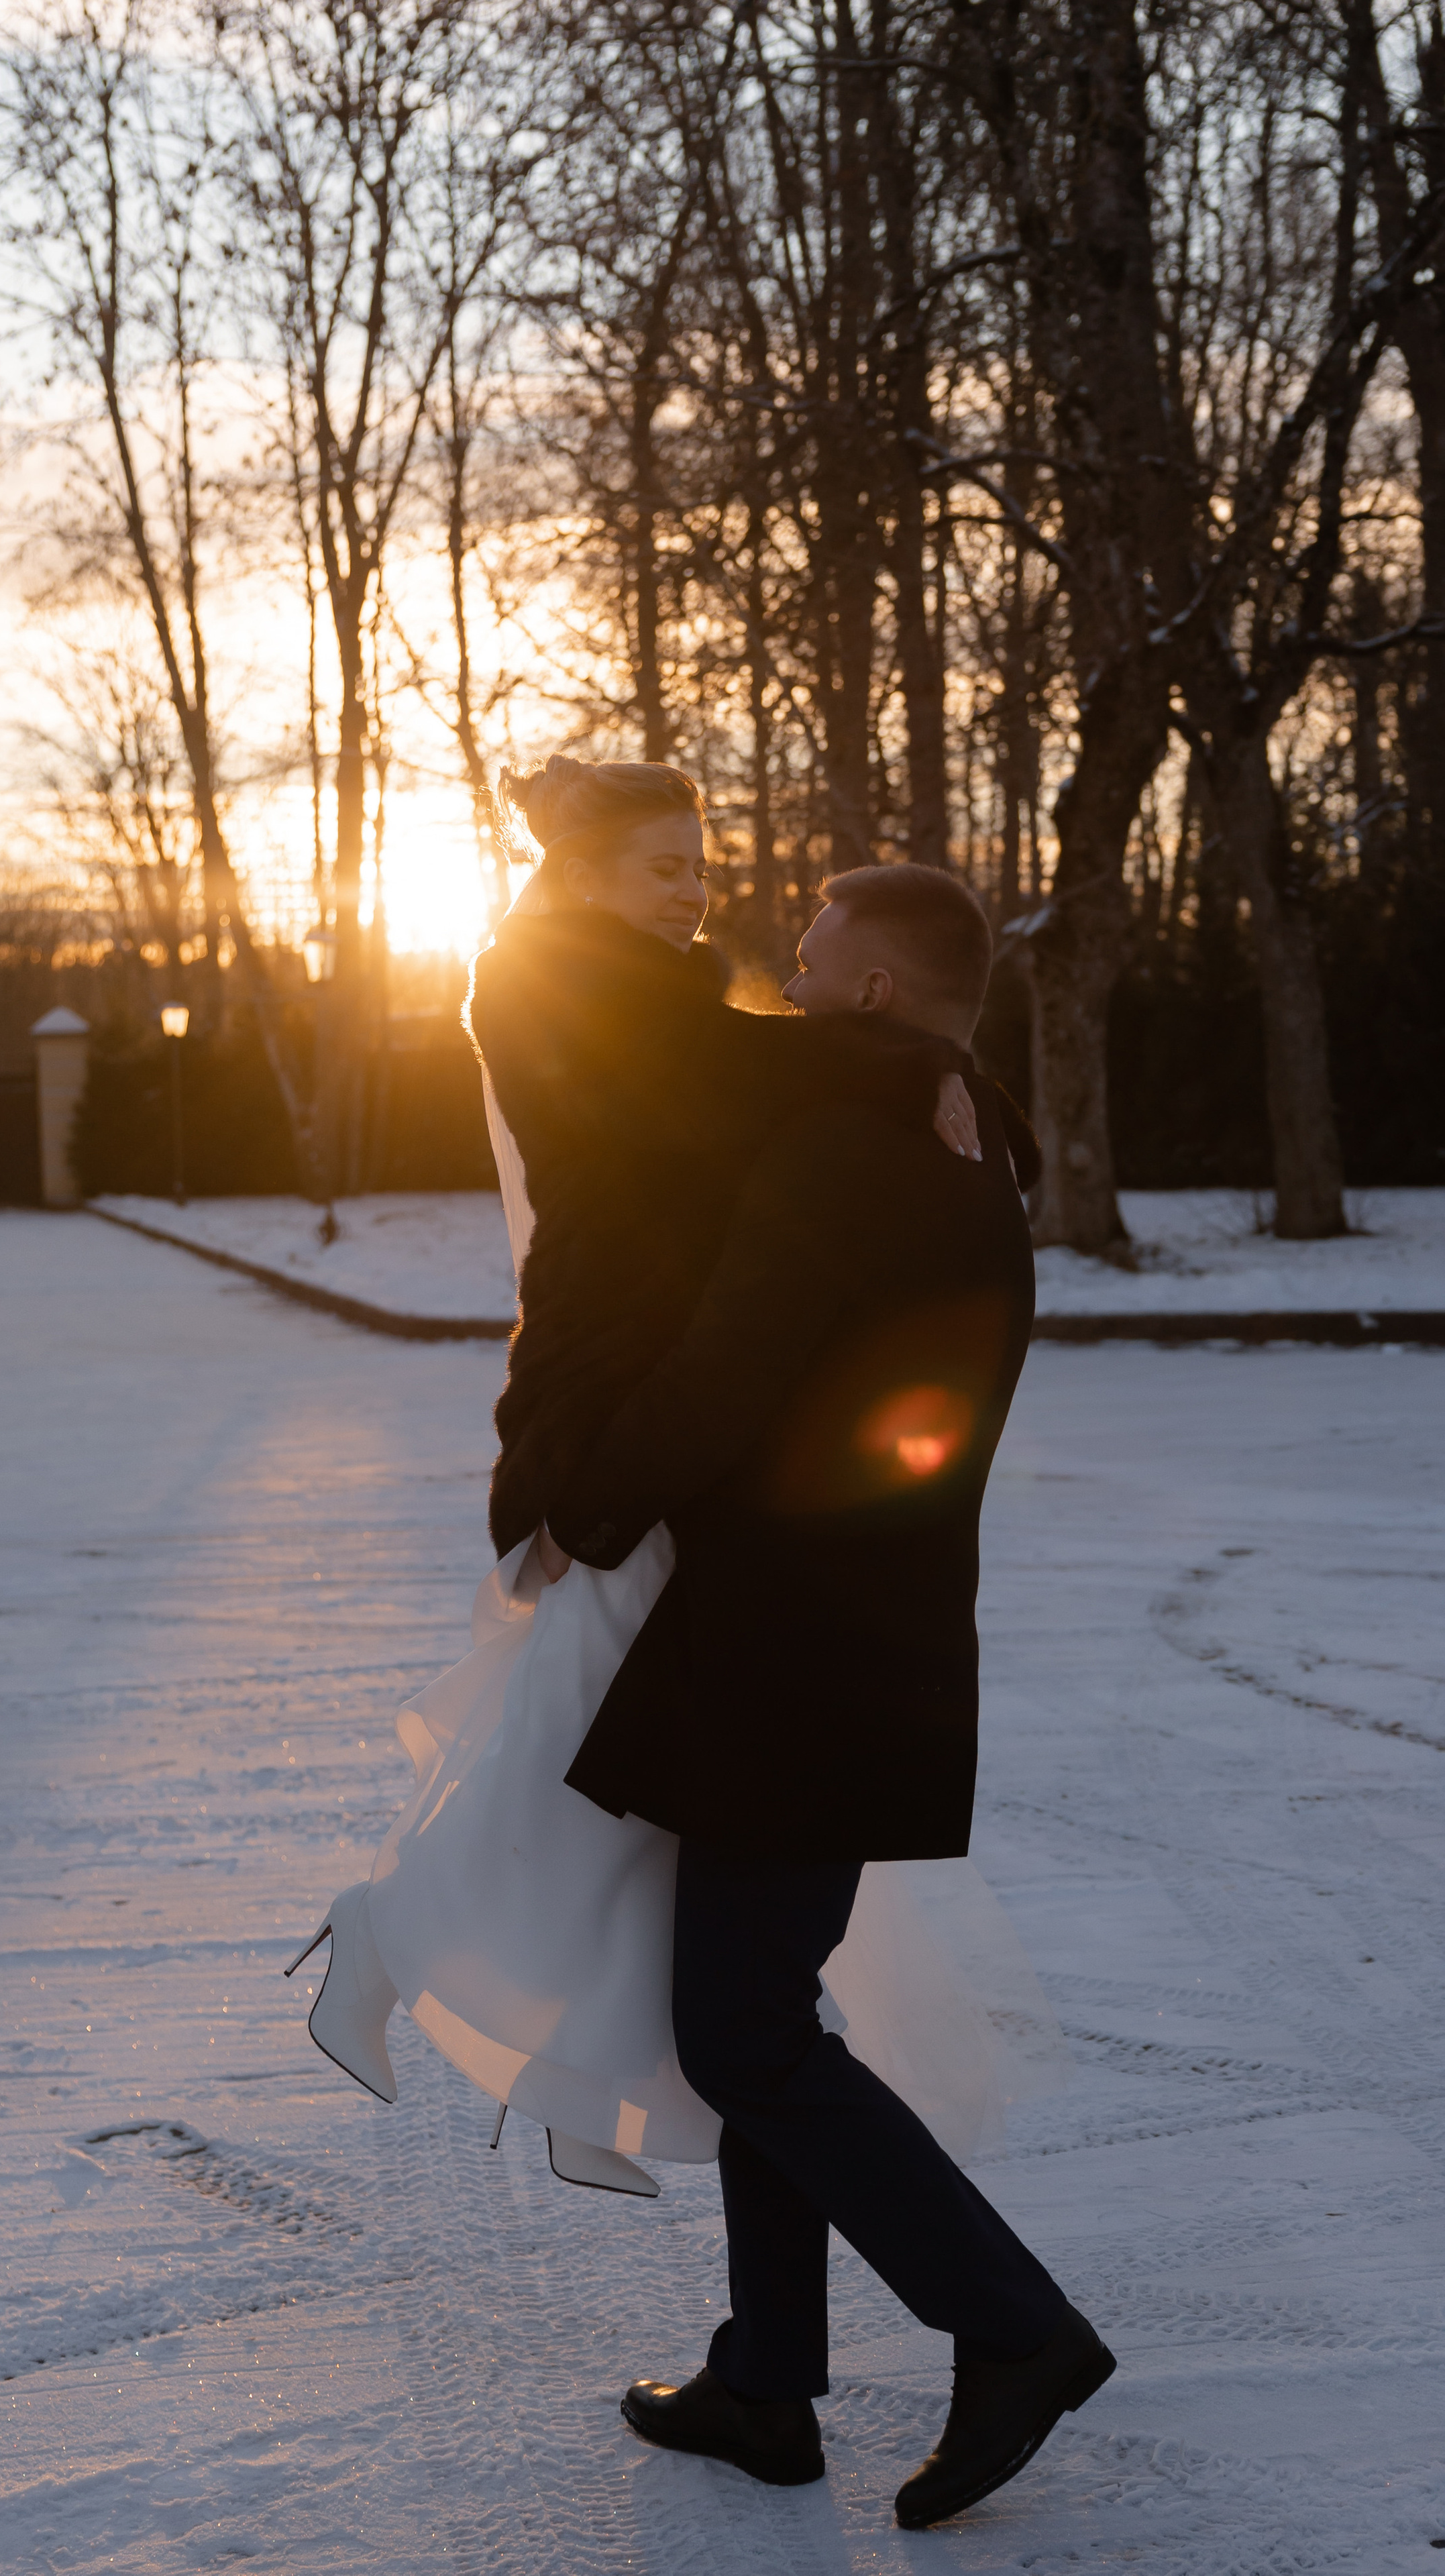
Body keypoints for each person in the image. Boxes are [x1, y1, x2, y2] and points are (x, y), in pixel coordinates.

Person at [290, 756, 1065, 2202]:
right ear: (580, 879)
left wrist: (936, 1074)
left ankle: (583, 2065)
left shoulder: (639, 988)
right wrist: (932, 1061)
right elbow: (764, 1073)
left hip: (638, 1408)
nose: (696, 890)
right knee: (575, 1759)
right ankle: (399, 1940)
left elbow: (773, 1080)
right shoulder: (556, 985)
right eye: (662, 867)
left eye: (699, 866)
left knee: (620, 1783)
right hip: (607, 1411)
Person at [543, 862, 1115, 2528]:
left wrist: (582, 1497)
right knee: (757, 2015)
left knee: (741, 2029)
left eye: (804, 962)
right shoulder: (960, 1138)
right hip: (862, 1637)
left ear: (871, 993)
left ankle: (1014, 2329)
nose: (780, 986)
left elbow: (728, 1362)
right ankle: (763, 2383)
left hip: (796, 1648)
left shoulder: (851, 1143)